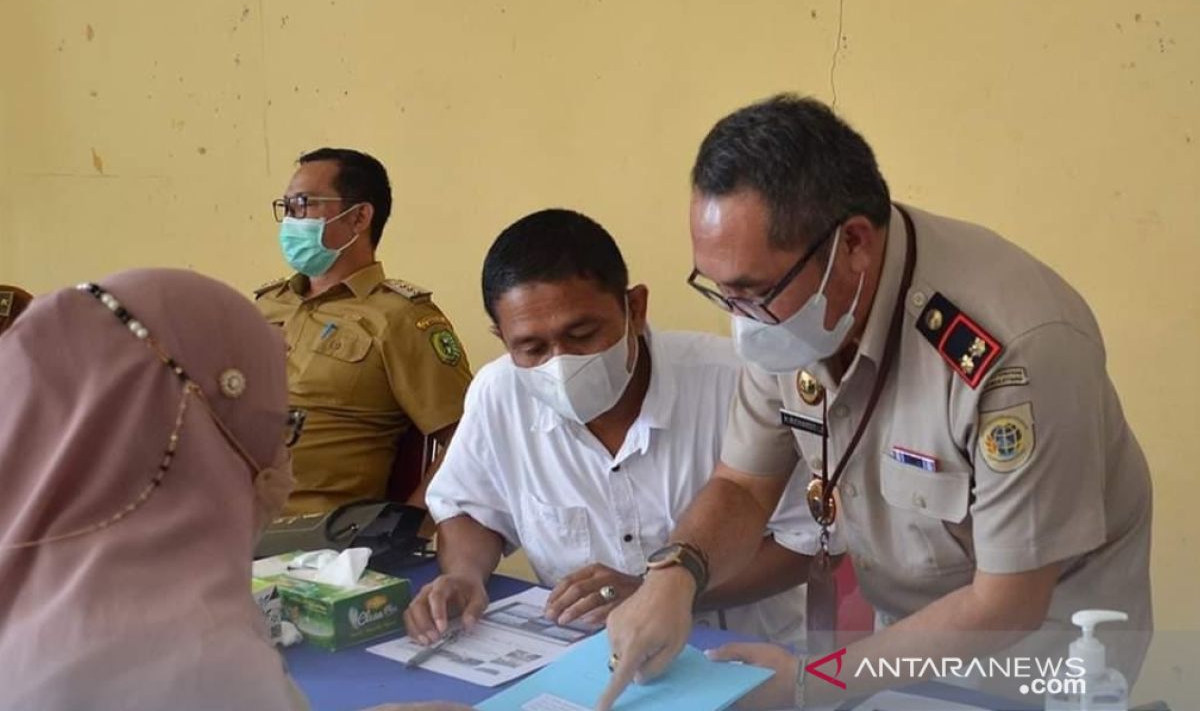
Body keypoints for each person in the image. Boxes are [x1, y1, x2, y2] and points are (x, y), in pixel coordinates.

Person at [600, 95, 1152, 710]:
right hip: (905, 648)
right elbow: (742, 486)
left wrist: (816, 681)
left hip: (1045, 664)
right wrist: (677, 574)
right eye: (718, 290)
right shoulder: (794, 315)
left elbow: (1007, 602)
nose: (740, 320)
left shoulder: (1015, 351)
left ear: (854, 244)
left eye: (752, 292)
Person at [0, 268, 470, 711]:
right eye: (278, 424)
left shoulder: (64, 591)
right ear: (200, 443)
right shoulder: (189, 656)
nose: (282, 459)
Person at [405, 209, 832, 649]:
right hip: (581, 659)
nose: (560, 363)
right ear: (502, 338)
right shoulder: (500, 393)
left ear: (635, 307)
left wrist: (667, 591)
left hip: (743, 656)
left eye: (583, 334)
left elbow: (811, 544)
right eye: (531, 347)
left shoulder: (741, 385)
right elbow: (471, 509)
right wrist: (465, 575)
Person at [256, 148, 472, 515]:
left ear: (358, 217)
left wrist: (407, 531)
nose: (291, 219)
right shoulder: (266, 305)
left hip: (317, 543)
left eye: (304, 204)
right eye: (287, 206)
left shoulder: (401, 317)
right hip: (224, 520)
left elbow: (468, 441)